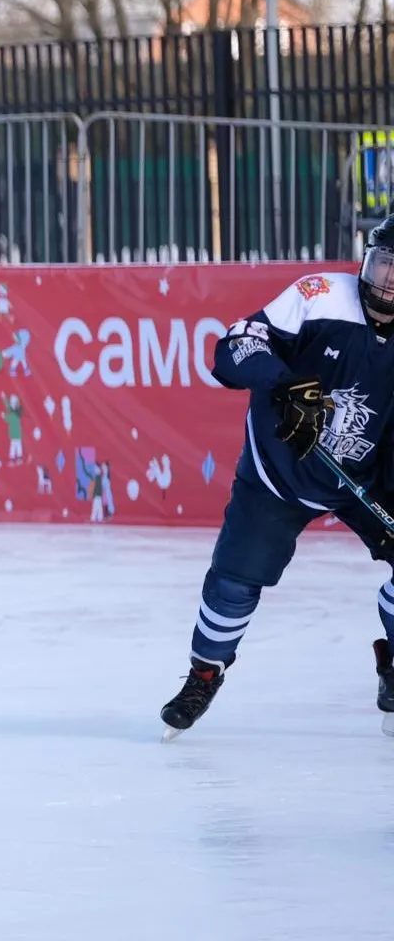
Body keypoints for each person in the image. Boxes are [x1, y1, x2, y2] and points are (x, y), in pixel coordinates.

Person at [160, 218, 394, 739]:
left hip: (367, 474)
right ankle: (204, 673)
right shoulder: (321, 296)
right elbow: (237, 346)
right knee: (235, 582)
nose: (387, 281)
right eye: (382, 264)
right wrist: (284, 386)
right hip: (280, 471)